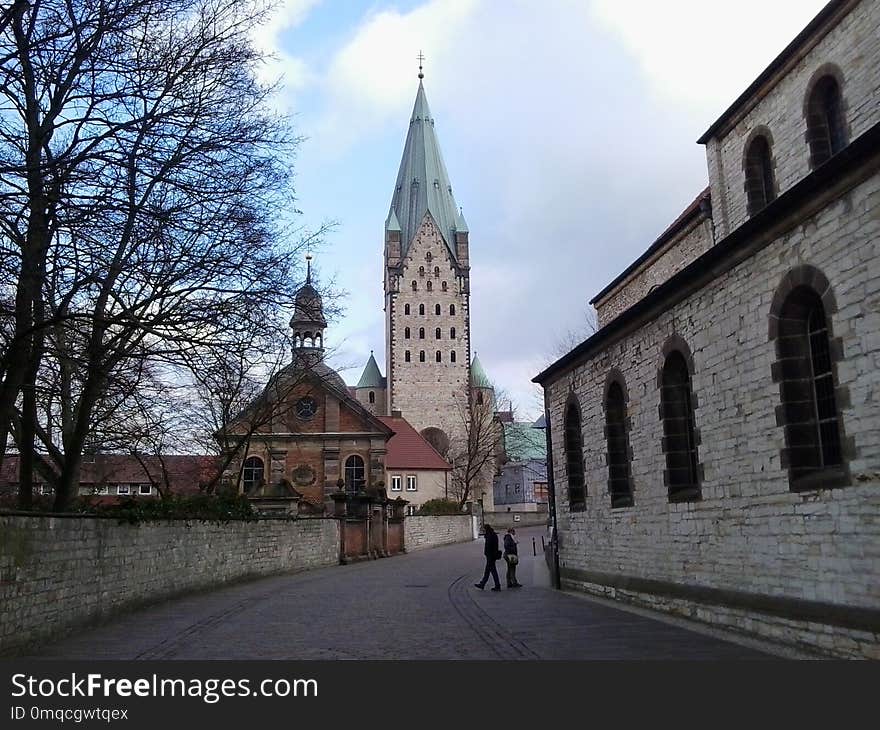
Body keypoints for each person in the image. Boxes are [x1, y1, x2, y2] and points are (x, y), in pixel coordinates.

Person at [474, 524, 502, 591]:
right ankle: (482, 584)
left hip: (491, 556)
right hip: (491, 556)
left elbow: (489, 547)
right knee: (487, 571)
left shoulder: (490, 536)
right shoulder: (493, 535)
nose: (483, 531)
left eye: (484, 530)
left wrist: (487, 554)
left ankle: (497, 585)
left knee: (492, 571)